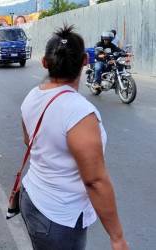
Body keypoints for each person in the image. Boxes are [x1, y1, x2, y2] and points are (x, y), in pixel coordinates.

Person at [19, 25, 128, 250]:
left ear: (44, 62)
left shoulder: (32, 96)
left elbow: (28, 140)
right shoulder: (79, 113)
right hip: (59, 218)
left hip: (32, 198)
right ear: (84, 61)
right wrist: (117, 238)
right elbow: (95, 181)